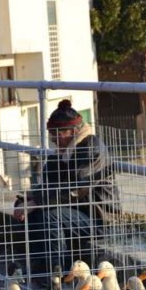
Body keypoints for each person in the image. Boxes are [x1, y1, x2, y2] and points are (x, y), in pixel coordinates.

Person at [13, 99, 121, 277]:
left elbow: (77, 189)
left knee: (50, 214)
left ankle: (58, 274)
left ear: (73, 131)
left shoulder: (91, 149)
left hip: (100, 218)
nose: (54, 140)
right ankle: (39, 268)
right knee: (29, 211)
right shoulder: (64, 151)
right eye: (51, 134)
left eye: (57, 134)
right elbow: (49, 184)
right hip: (77, 211)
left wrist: (37, 201)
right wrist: (27, 199)